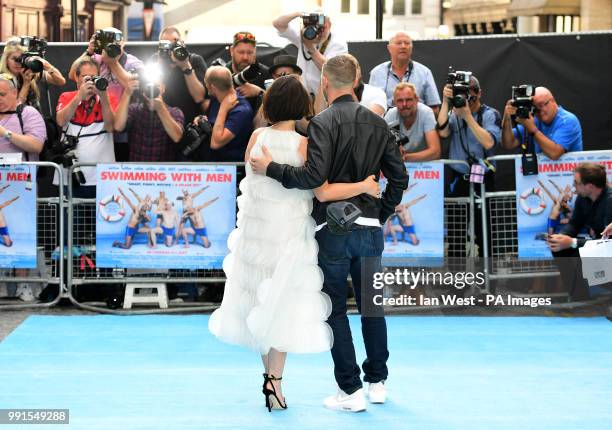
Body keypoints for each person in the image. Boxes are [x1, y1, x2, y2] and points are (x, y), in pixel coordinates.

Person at [209, 73, 385, 413]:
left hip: (255, 238)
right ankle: (276, 380)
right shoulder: (304, 144)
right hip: (289, 237)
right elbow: (321, 190)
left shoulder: (257, 137)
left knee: (259, 302)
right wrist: (363, 185)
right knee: (281, 306)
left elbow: (251, 181)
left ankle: (269, 380)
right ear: (303, 105)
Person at [250, 56, 408, 412]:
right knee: (372, 306)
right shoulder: (378, 122)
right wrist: (380, 213)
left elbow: (311, 179)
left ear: (324, 83)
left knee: (336, 310)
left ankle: (350, 391)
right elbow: (399, 178)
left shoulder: (321, 123)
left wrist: (271, 168)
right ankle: (378, 383)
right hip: (368, 229)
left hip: (332, 230)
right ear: (357, 80)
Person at [546, 163, 612, 300]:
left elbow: (607, 244)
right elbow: (575, 224)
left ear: (590, 186)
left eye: (576, 183)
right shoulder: (583, 198)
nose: (573, 186)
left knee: (579, 253)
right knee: (558, 247)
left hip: (608, 250)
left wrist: (573, 242)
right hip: (601, 247)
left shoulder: (610, 201)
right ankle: (578, 297)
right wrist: (561, 237)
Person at [55, 58, 117, 193]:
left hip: (102, 176)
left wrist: (104, 97)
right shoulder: (66, 96)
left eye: (94, 77)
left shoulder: (108, 97)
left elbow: (110, 127)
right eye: (86, 77)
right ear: (76, 78)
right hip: (71, 175)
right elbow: (61, 121)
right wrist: (78, 97)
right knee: (70, 213)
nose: (90, 81)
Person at [438, 75, 501, 196]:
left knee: (483, 215)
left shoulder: (490, 114)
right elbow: (443, 132)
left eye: (470, 97)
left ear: (479, 94)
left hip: (483, 178)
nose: (466, 101)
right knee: (457, 215)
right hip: (458, 178)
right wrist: (446, 102)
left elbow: (489, 143)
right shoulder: (454, 114)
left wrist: (467, 116)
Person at [273, 11, 348, 96]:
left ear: (330, 25)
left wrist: (309, 46)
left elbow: (330, 69)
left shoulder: (338, 44)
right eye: (315, 27)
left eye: (322, 28)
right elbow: (277, 24)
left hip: (324, 97)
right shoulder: (305, 35)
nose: (319, 32)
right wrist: (297, 13)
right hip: (303, 95)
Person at [114, 76, 184, 161]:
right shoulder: (135, 109)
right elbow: (118, 127)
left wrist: (161, 109)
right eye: (149, 87)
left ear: (163, 88)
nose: (152, 90)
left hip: (163, 172)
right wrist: (127, 93)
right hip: (137, 171)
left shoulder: (174, 112)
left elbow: (177, 137)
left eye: (156, 87)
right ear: (143, 90)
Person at [501, 87, 582, 160]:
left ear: (553, 101)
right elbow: (509, 144)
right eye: (535, 107)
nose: (539, 110)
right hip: (543, 175)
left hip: (569, 174)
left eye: (541, 105)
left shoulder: (567, 120)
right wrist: (507, 118)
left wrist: (533, 130)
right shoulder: (535, 120)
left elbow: (554, 154)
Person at [368, 31, 440, 110]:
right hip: (384, 121)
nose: (403, 46)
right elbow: (369, 106)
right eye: (398, 43)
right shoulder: (376, 73)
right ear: (389, 48)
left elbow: (434, 108)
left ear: (411, 47)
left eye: (407, 43)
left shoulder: (425, 73)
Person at [155, 26, 207, 125]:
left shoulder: (194, 60)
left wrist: (185, 65)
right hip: (163, 124)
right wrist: (160, 64)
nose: (170, 49)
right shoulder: (156, 61)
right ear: (160, 46)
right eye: (166, 45)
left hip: (190, 123)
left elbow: (199, 97)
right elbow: (152, 94)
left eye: (174, 44)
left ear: (182, 44)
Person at [201, 66, 254, 162]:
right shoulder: (216, 98)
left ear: (212, 87)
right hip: (210, 162)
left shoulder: (242, 110)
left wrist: (223, 109)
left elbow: (215, 143)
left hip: (230, 168)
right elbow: (213, 123)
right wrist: (202, 120)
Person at [0, 38, 66, 113]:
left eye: (22, 59)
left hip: (34, 119)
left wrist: (47, 66)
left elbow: (61, 81)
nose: (18, 63)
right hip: (15, 121)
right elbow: (16, 108)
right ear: (6, 59)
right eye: (15, 59)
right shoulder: (2, 79)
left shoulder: (30, 71)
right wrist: (26, 84)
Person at [384, 82, 440, 161]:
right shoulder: (391, 115)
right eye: (400, 100)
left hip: (424, 167)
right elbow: (383, 149)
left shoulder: (426, 112)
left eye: (408, 100)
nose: (404, 104)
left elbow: (435, 152)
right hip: (399, 166)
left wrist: (406, 157)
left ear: (417, 99)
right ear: (394, 103)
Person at [0, 74, 46, 161]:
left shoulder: (27, 113)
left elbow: (36, 145)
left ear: (14, 93)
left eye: (2, 94)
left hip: (20, 172)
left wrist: (5, 133)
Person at [225, 31, 271, 112]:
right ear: (232, 51)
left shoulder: (265, 74)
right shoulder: (222, 72)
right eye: (241, 52)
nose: (245, 57)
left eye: (250, 52)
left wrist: (259, 92)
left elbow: (278, 104)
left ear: (255, 51)